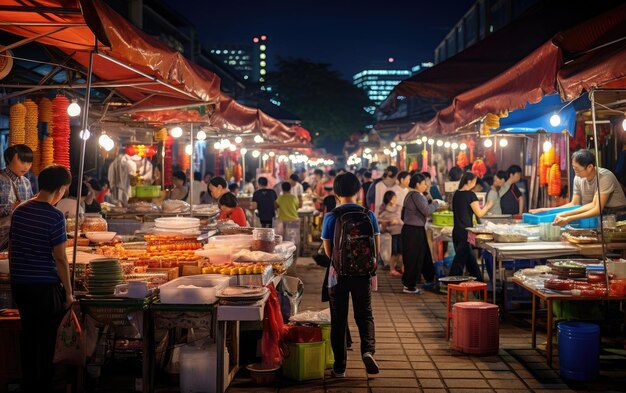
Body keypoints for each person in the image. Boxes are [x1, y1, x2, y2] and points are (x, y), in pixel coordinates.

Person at [9, 164, 73, 393]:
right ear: (61, 188)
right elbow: (60, 258)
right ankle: (44, 386)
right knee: (46, 341)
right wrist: (68, 291)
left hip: (21, 285)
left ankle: (29, 384)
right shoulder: (55, 216)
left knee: (29, 336)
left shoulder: (20, 211)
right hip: (45, 286)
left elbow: (13, 247)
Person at [320, 172, 380, 377]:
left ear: (336, 193)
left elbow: (328, 252)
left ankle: (340, 366)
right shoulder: (368, 215)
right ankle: (367, 351)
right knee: (365, 315)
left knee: (338, 319)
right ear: (358, 191)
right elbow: (376, 248)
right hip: (363, 274)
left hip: (338, 276)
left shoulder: (331, 216)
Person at [553, 149, 626, 225]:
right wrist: (549, 210)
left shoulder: (604, 177)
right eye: (574, 169)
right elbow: (574, 203)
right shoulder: (578, 177)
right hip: (601, 218)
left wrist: (568, 217)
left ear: (590, 167)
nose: (576, 173)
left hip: (619, 217)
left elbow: (597, 208)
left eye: (577, 169)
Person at [449, 172, 494, 280]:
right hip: (466, 233)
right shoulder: (470, 195)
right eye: (474, 181)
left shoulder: (456, 194)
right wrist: (488, 206)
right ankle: (448, 284)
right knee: (459, 263)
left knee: (470, 263)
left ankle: (479, 285)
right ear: (469, 182)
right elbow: (479, 213)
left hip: (456, 232)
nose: (474, 184)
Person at [401, 174, 441, 293]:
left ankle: (428, 279)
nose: (426, 185)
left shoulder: (412, 194)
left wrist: (429, 195)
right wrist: (437, 204)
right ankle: (409, 285)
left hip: (413, 229)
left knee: (423, 256)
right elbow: (427, 210)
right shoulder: (416, 195)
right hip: (413, 230)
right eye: (424, 183)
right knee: (413, 257)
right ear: (418, 184)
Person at [0, 144, 34, 250]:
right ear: (9, 159)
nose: (26, 166)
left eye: (29, 162)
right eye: (22, 161)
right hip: (3, 235)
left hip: (21, 234)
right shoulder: (1, 179)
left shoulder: (26, 182)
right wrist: (14, 206)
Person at [377, 190, 403, 277]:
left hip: (401, 231)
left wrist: (398, 221)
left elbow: (402, 218)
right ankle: (392, 269)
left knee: (401, 251)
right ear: (389, 199)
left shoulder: (399, 207)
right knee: (394, 252)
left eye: (395, 197)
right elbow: (378, 220)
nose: (395, 199)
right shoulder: (383, 209)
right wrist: (389, 221)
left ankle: (401, 267)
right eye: (393, 198)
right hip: (391, 234)